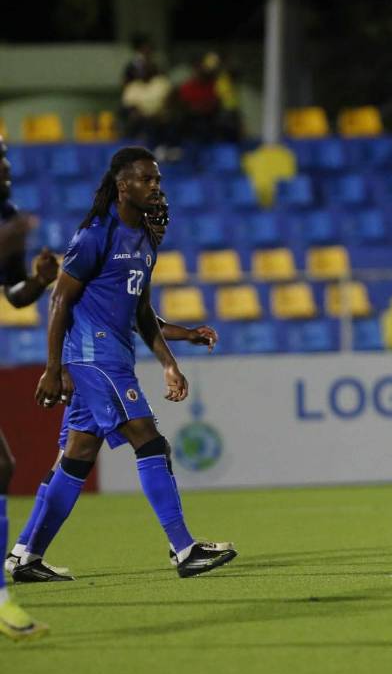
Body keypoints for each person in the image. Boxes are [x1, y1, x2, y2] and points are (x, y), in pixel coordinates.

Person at [16, 147, 236, 583]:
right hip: (94, 360)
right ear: (124, 187)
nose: (157, 188)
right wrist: (53, 367)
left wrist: (179, 347)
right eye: (148, 180)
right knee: (150, 443)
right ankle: (184, 548)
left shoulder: (145, 242)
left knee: (76, 458)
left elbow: (139, 313)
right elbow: (60, 299)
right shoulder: (95, 235)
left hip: (113, 359)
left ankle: (25, 556)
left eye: (158, 181)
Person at [0, 135, 53, 640]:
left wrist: (36, 282)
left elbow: (13, 295)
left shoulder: (6, 210)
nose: (5, 165)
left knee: (2, 466)